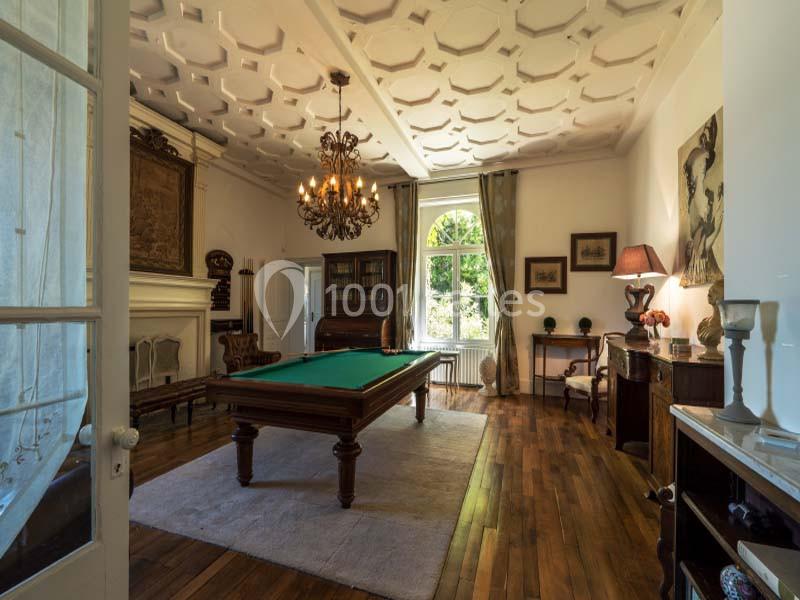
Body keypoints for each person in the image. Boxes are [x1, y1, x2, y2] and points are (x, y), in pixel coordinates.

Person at [680, 115, 723, 287]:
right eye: (700, 164)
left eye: (705, 163)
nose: (704, 165)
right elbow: (701, 240)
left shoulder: (709, 196)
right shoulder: (693, 204)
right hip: (703, 257)